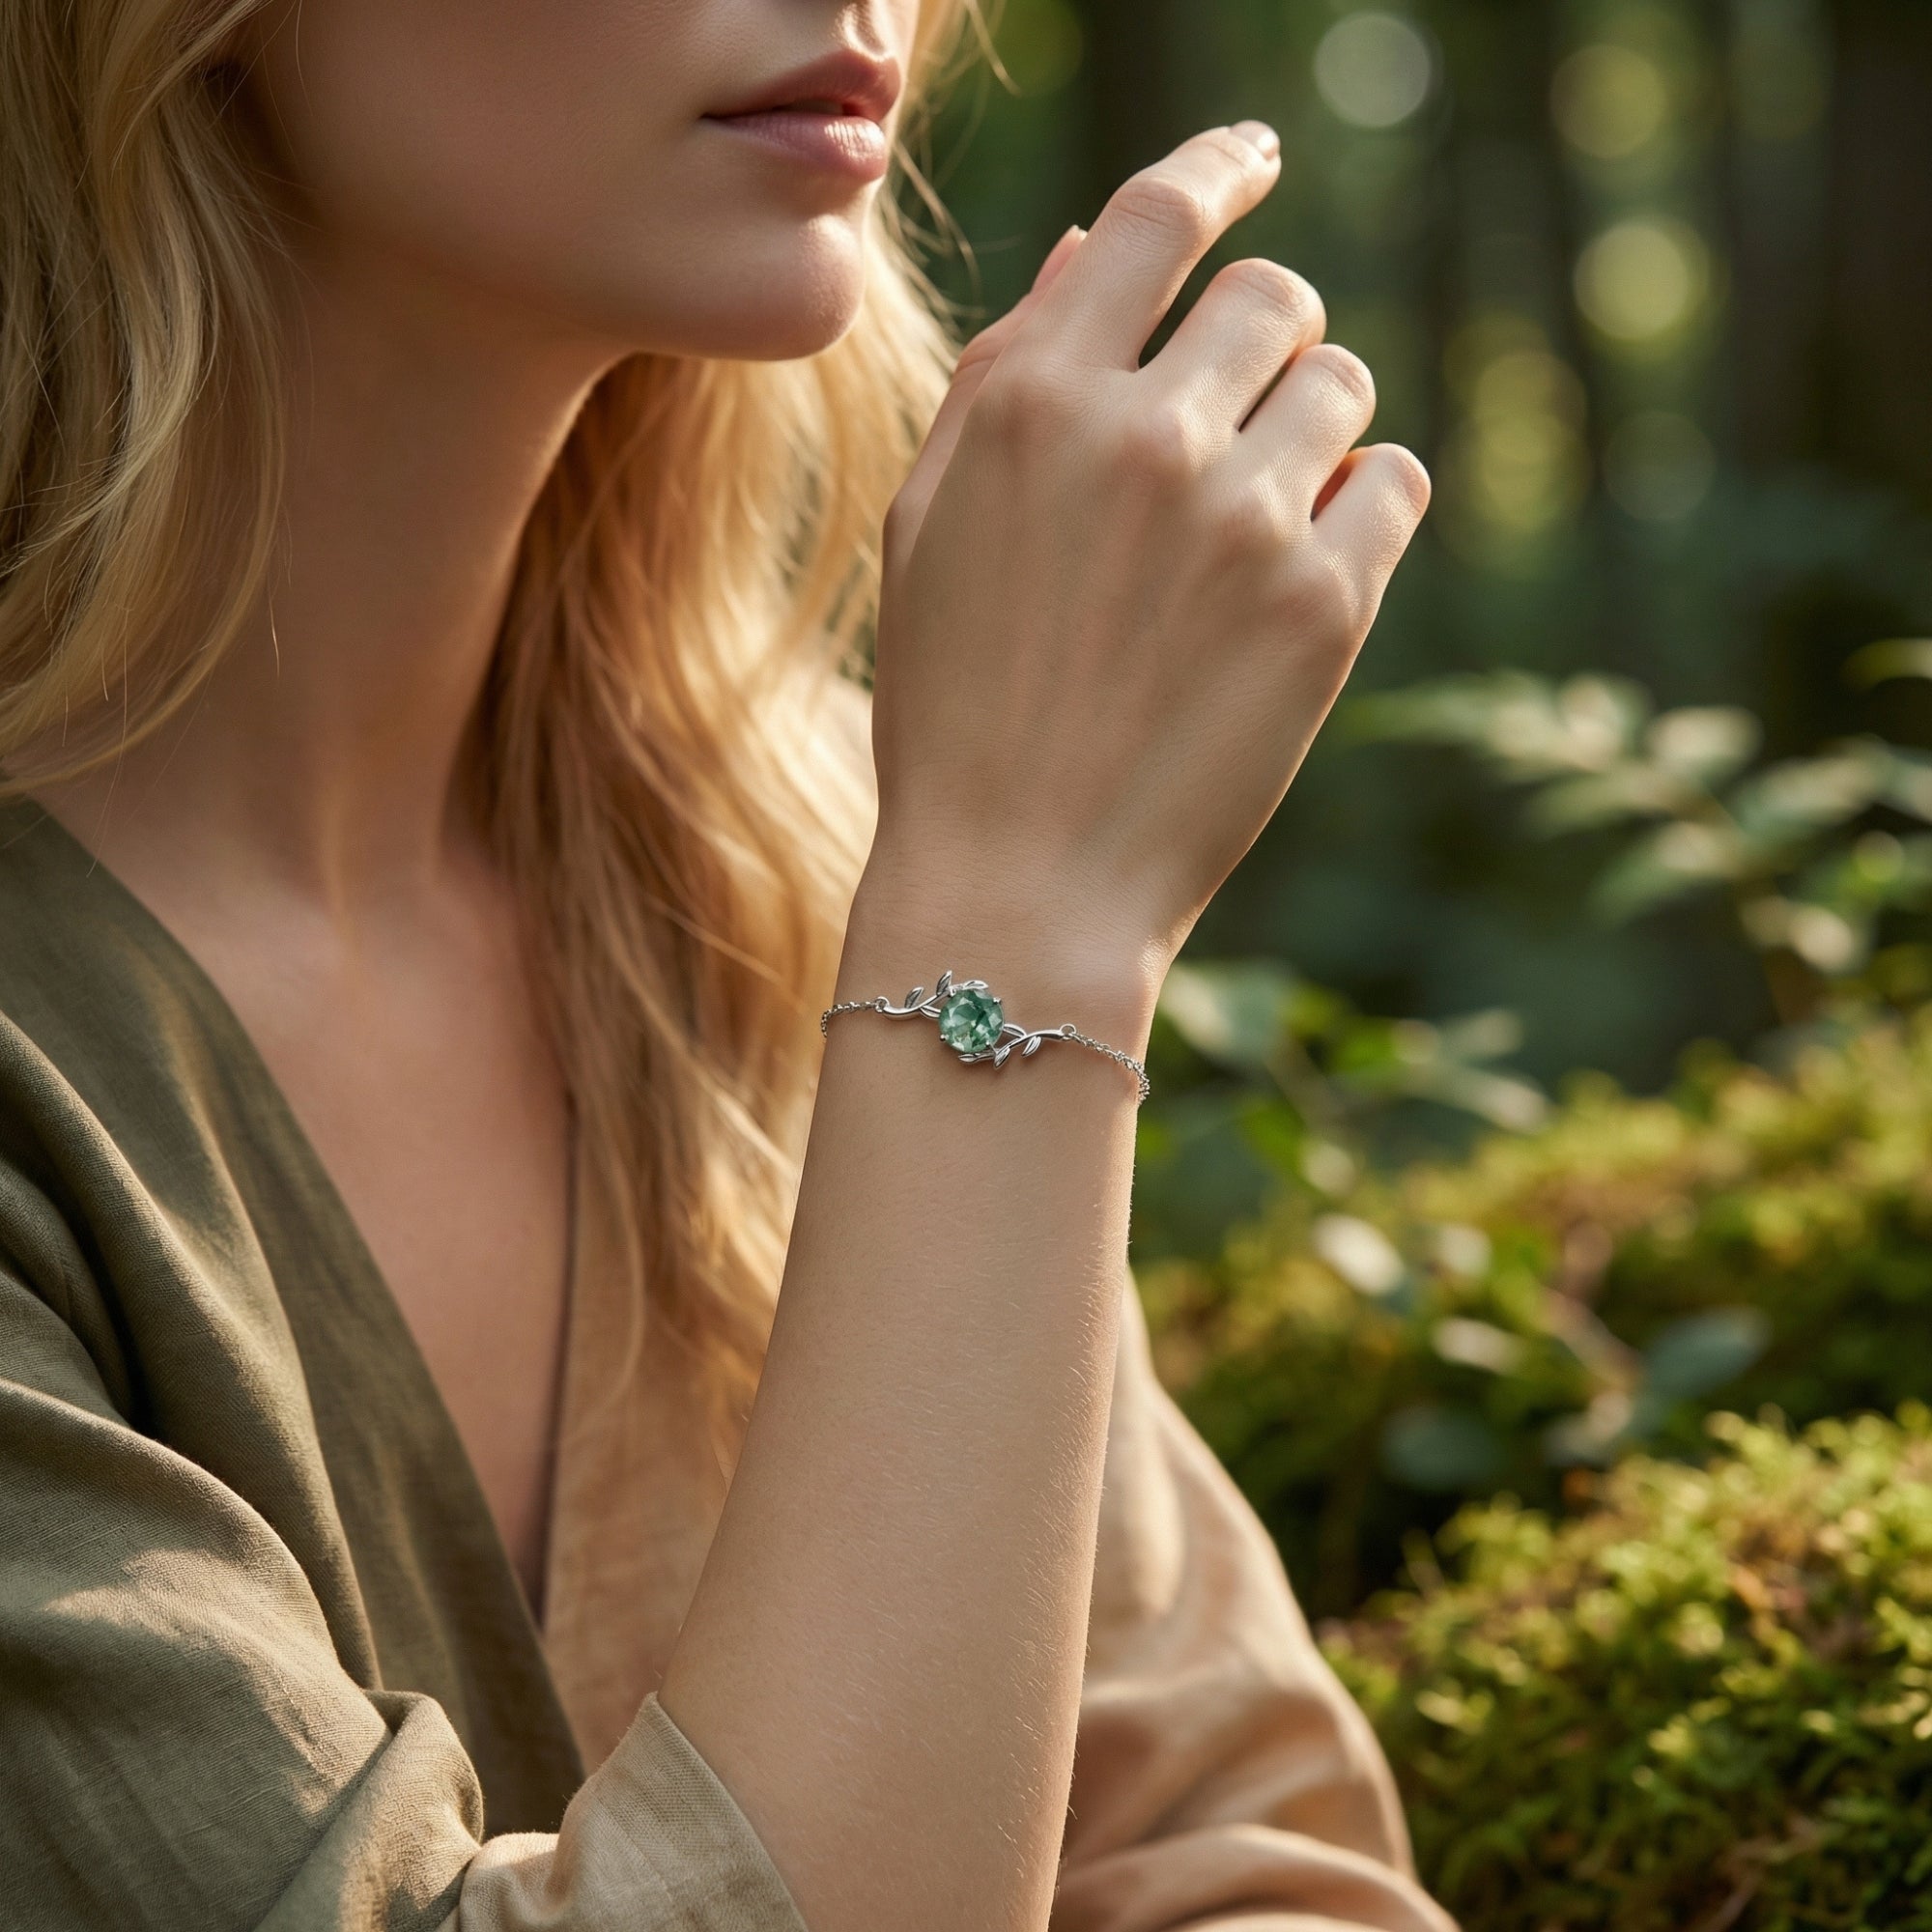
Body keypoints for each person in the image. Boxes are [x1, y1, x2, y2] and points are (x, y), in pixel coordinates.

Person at [0, 3, 1447, 1929]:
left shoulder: (797, 851)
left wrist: (977, 909)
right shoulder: (959, 903)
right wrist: (1018, 930)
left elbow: (1224, 1845)